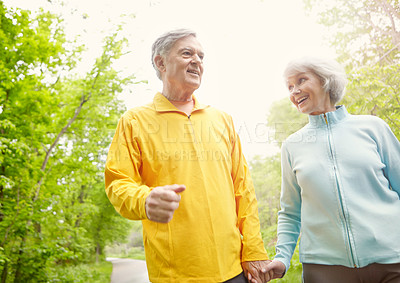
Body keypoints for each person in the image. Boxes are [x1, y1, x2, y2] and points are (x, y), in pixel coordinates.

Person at [104, 29, 271, 283]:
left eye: (201, 56)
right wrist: (145, 199)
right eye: (187, 53)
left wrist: (254, 251)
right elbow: (117, 183)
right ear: (160, 62)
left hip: (234, 269)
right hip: (174, 274)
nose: (197, 61)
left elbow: (243, 191)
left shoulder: (222, 120)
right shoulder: (134, 121)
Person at [265, 57, 400, 282]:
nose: (294, 91)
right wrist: (282, 257)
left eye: (301, 80)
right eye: (289, 87)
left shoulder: (373, 128)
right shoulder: (292, 145)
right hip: (325, 269)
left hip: (392, 259)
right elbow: (290, 211)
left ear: (325, 80)